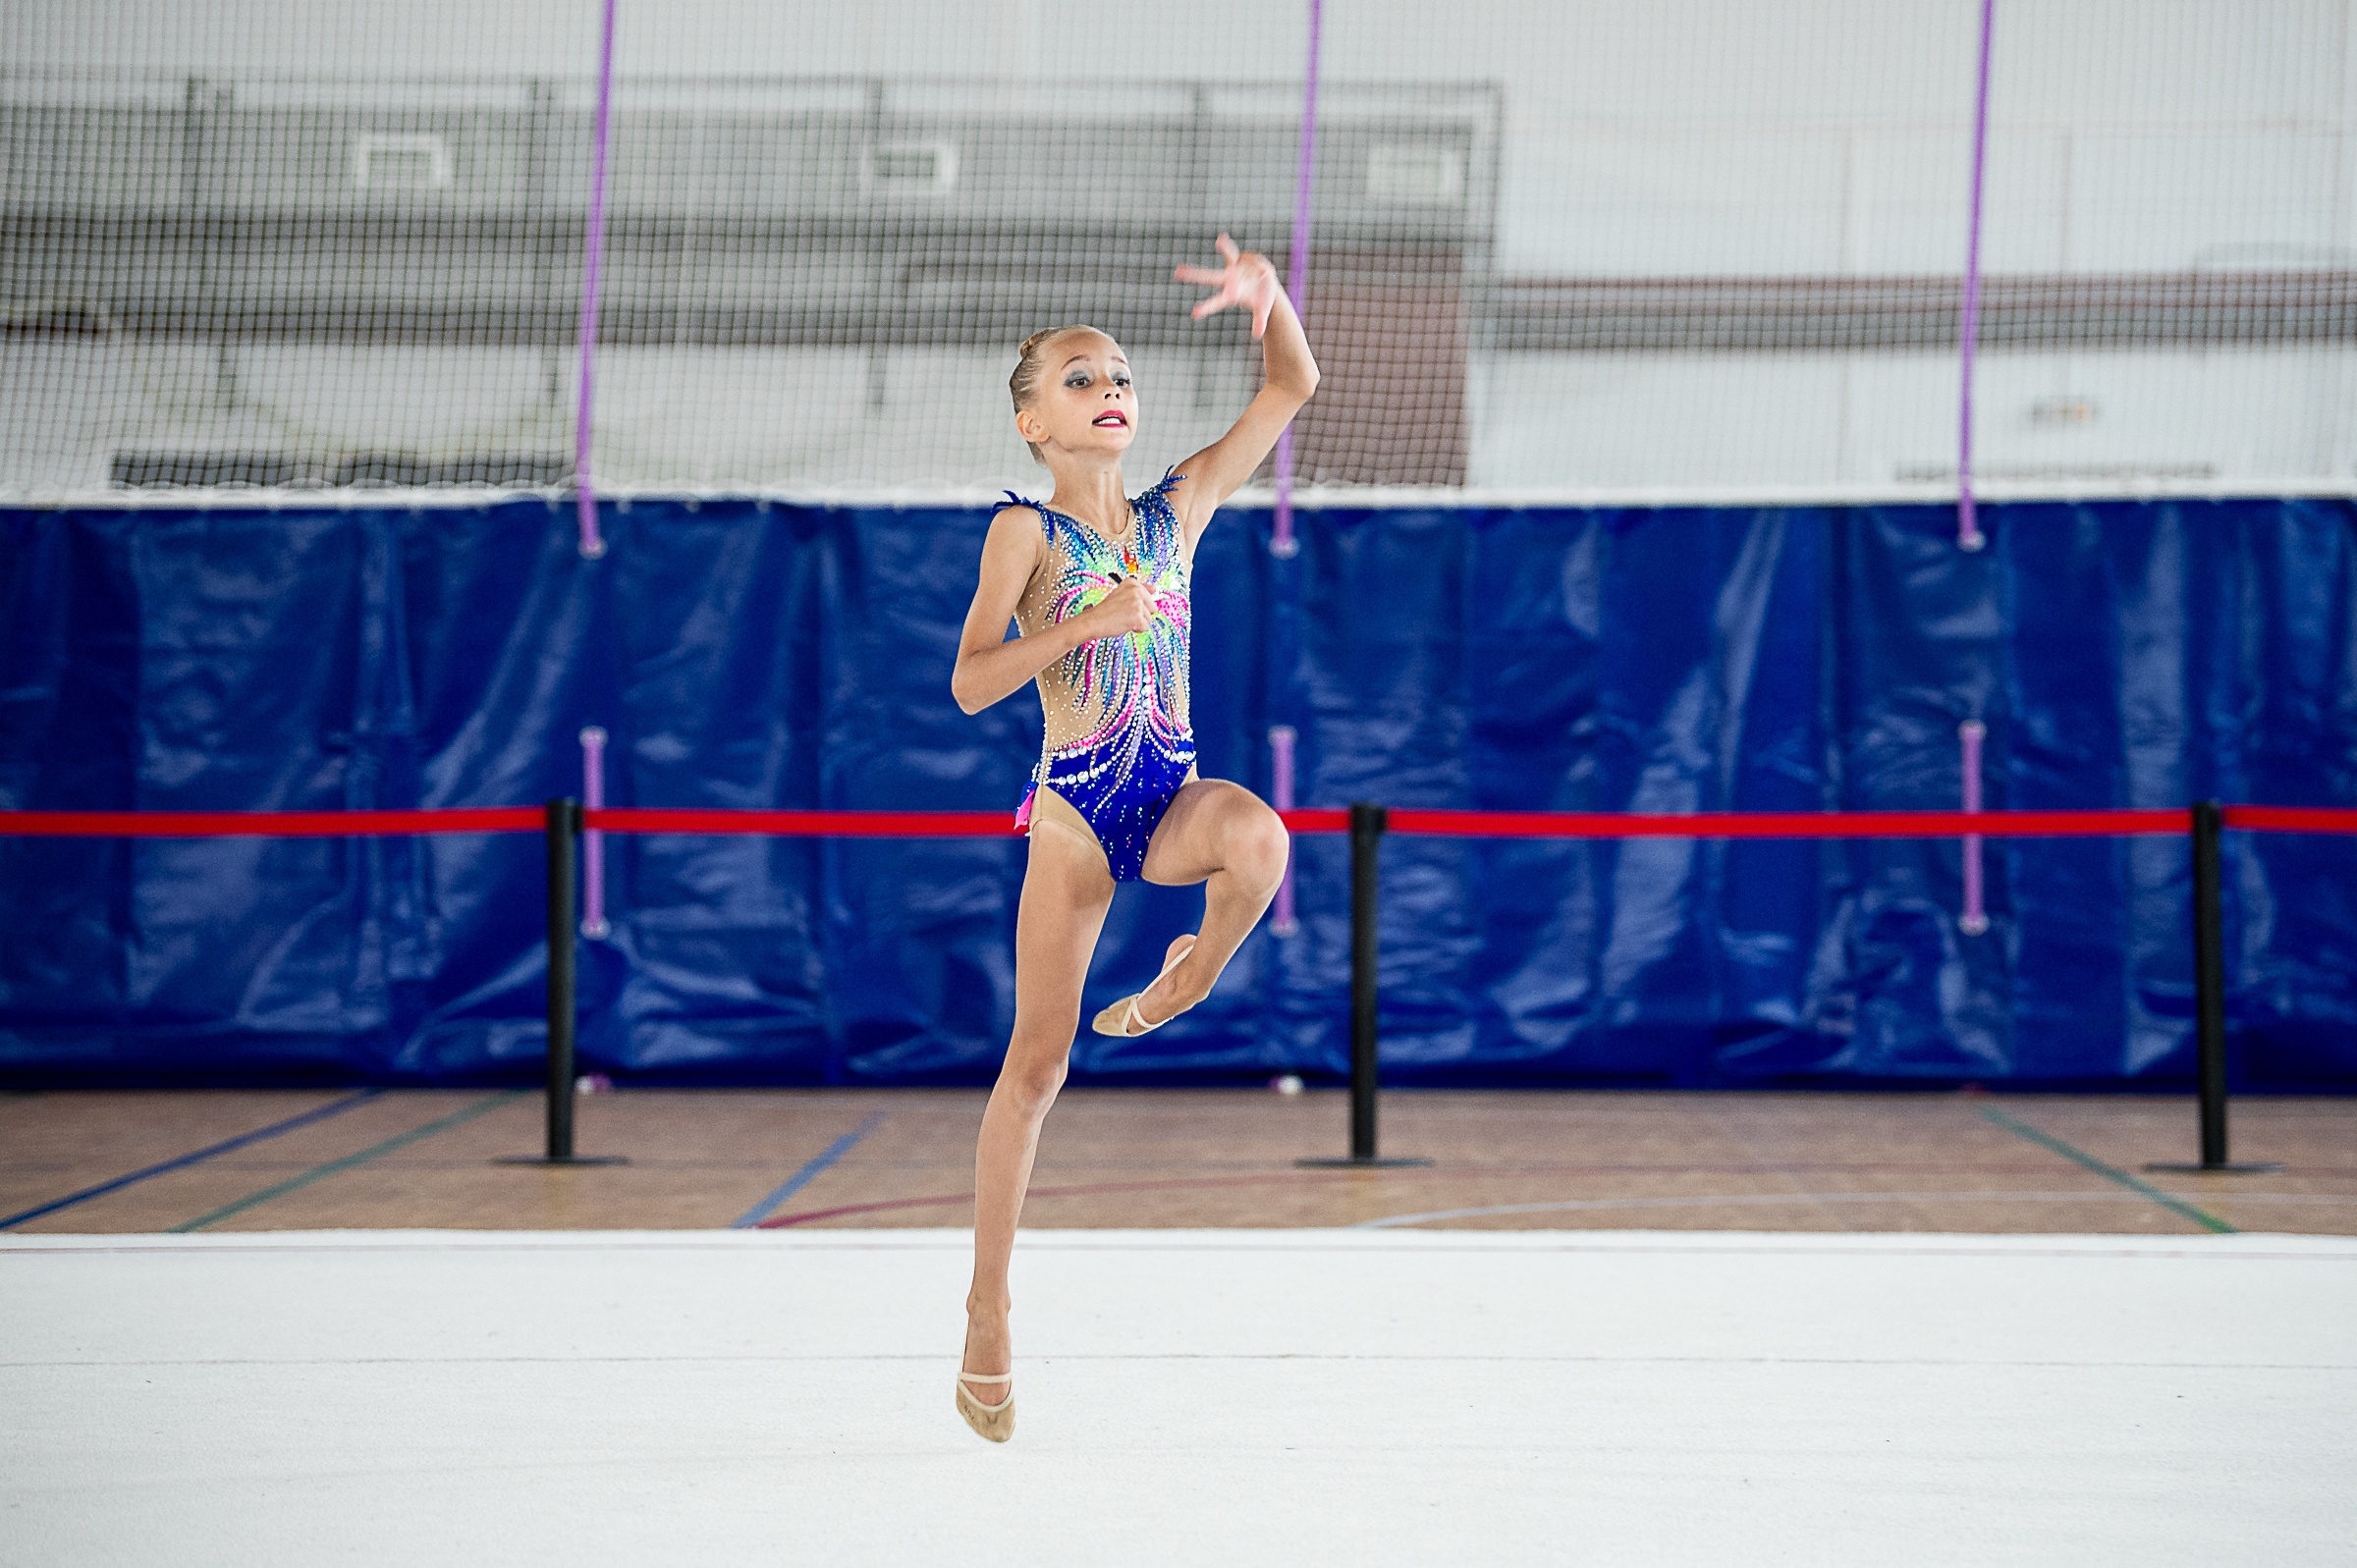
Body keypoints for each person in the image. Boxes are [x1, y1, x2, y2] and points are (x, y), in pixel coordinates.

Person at [946, 235, 1319, 1442]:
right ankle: (987, 1310)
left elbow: (1289, 389)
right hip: (1074, 814)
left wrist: (1271, 303)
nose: (1107, 386)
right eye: (1075, 376)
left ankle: (1189, 976)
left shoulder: (1178, 510)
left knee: (1259, 840)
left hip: (1168, 790)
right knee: (1038, 1068)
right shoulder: (1027, 533)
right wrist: (1088, 621)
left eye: (1116, 371)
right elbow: (969, 684)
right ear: (1032, 425)